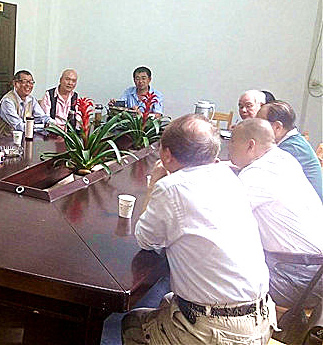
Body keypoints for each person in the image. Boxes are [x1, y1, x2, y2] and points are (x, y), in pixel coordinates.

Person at [121, 114, 275, 345]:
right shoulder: (228, 176)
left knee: (132, 324)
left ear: (166, 155)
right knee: (167, 301)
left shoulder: (171, 187)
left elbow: (146, 239)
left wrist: (154, 184)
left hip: (218, 332)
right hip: (261, 319)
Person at [229, 118, 323, 308]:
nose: (229, 149)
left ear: (250, 145)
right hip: (313, 272)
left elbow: (223, 219)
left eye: (232, 142)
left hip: (296, 278)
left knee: (211, 273)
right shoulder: (284, 159)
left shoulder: (255, 174)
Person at [256, 101, 322, 201]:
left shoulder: (290, 148)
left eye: (259, 123)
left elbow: (260, 176)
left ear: (277, 127)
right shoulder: (291, 141)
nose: (254, 127)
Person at [0, 70, 53, 139]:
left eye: (31, 82)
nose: (28, 85)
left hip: (23, 139)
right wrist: (43, 126)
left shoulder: (31, 99)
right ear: (15, 83)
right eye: (25, 82)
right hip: (3, 141)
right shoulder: (7, 101)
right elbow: (19, 126)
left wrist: (53, 124)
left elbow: (42, 117)